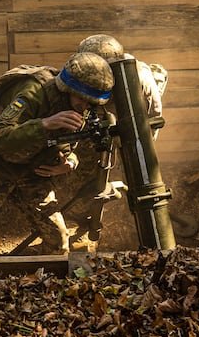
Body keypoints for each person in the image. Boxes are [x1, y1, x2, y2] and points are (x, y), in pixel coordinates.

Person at [0, 51, 115, 255]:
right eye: (82, 99)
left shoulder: (82, 108)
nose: (85, 106)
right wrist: (45, 124)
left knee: (58, 242)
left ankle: (31, 276)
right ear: (68, 88)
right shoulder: (33, 92)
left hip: (32, 174)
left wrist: (69, 162)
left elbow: (70, 146)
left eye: (91, 102)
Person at [58, 35, 168, 243]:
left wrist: (139, 150)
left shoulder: (140, 79)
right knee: (88, 161)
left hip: (131, 112)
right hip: (101, 110)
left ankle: (136, 220)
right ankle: (83, 207)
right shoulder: (84, 71)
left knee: (137, 172)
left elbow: (152, 116)